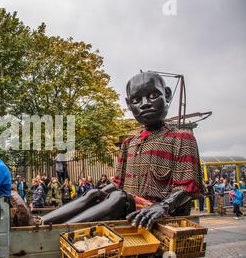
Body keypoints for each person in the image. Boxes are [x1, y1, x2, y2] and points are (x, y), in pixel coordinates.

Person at [42, 72, 204, 228]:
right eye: (136, 100)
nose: (145, 103)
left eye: (153, 96)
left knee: (119, 197)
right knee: (94, 193)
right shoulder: (129, 144)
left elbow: (188, 187)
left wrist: (163, 205)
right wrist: (96, 194)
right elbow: (118, 184)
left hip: (160, 212)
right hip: (132, 207)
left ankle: (59, 233)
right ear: (129, 104)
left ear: (167, 95)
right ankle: (39, 223)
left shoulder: (181, 138)